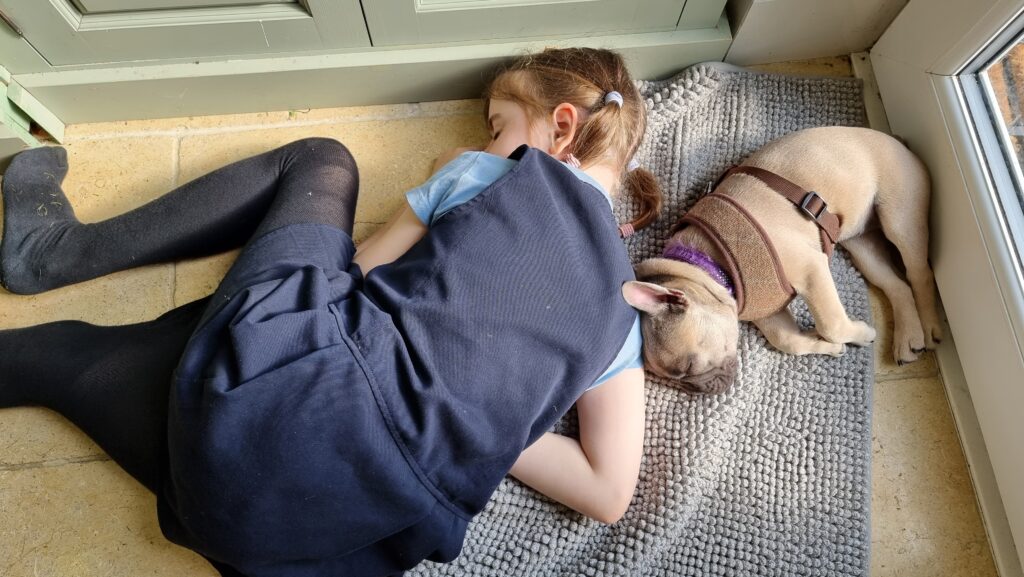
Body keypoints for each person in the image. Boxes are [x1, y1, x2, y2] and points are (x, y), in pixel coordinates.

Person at [0, 47, 663, 577]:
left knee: (322, 163)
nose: (487, 143)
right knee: (88, 363)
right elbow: (608, 493)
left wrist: (448, 175)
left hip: (275, 405)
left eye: (497, 127)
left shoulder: (492, 174)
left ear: (562, 128)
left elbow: (356, 271)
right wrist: (484, 414)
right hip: (305, 546)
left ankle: (55, 249)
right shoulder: (620, 313)